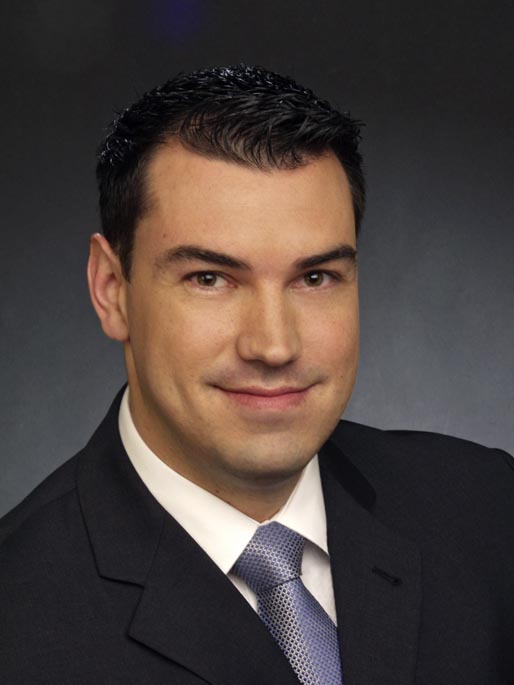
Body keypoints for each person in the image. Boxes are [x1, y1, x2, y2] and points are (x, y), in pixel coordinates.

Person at [0, 65, 513, 685]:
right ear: (112, 290)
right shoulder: (17, 617)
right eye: (210, 278)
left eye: (315, 277)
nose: (274, 345)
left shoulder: (488, 513)